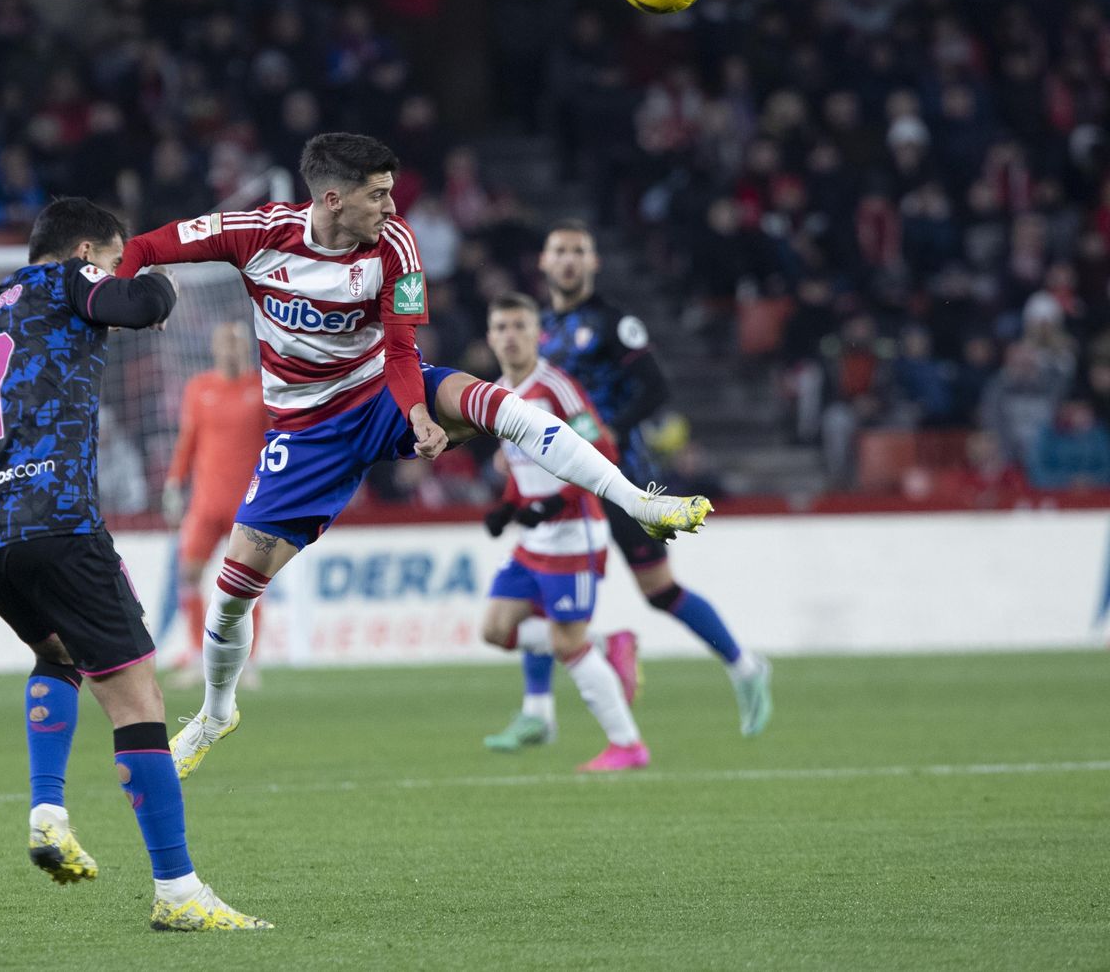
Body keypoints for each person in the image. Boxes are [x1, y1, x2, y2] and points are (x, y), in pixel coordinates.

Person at [115, 133, 710, 779]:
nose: (392, 206)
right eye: (378, 194)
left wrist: (420, 414)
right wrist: (126, 297)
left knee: (503, 405)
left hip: (380, 394)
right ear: (334, 198)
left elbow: (401, 349)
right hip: (305, 433)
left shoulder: (395, 244)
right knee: (233, 594)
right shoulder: (254, 232)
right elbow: (145, 246)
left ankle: (639, 500)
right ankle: (214, 714)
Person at [0, 198, 268, 932]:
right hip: (55, 519)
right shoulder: (73, 279)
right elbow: (147, 298)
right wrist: (143, 273)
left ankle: (47, 811)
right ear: (90, 249)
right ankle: (179, 891)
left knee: (58, 654)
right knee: (138, 703)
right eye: (112, 255)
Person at [537, 220, 772, 736]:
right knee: (540, 584)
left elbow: (655, 388)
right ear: (544, 262)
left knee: (659, 590)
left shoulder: (615, 324)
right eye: (561, 251)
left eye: (580, 250)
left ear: (594, 262)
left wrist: (608, 434)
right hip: (559, 480)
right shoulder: (537, 330)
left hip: (621, 476)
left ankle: (745, 667)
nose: (570, 260)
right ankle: (542, 708)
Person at [477, 293, 648, 771]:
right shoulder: (495, 395)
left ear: (538, 334)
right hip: (534, 541)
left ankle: (628, 745)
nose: (510, 336)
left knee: (566, 645)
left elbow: (603, 452)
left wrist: (554, 502)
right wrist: (508, 505)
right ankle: (608, 643)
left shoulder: (557, 387)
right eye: (501, 327)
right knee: (494, 629)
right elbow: (519, 466)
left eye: (519, 326)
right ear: (490, 337)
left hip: (575, 538)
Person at [163, 321, 271, 689]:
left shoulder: (261, 389)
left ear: (245, 348)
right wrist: (174, 482)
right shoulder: (199, 389)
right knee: (188, 575)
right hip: (206, 504)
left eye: (235, 343)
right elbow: (188, 440)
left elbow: (274, 444)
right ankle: (196, 653)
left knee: (249, 584)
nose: (229, 349)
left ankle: (249, 662)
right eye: (224, 342)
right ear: (214, 347)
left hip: (249, 505)